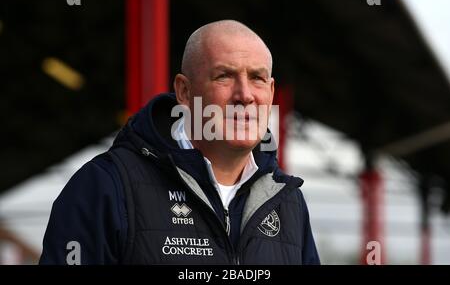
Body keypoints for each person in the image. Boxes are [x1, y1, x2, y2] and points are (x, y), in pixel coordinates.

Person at [40, 20, 320, 265]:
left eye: (257, 78)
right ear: (185, 92)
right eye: (224, 76)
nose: (244, 95)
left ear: (270, 92)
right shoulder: (105, 187)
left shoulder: (288, 202)